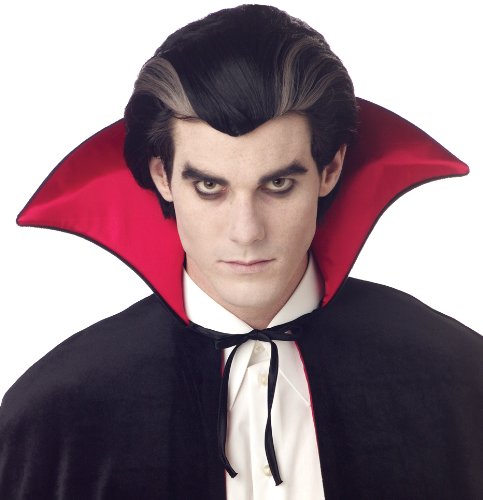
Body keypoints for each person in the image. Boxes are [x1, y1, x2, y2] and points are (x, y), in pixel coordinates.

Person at [1, 4, 482, 499]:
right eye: (210, 186)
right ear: (162, 175)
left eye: (278, 184)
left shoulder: (461, 379)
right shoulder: (51, 416)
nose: (246, 231)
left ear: (330, 169)